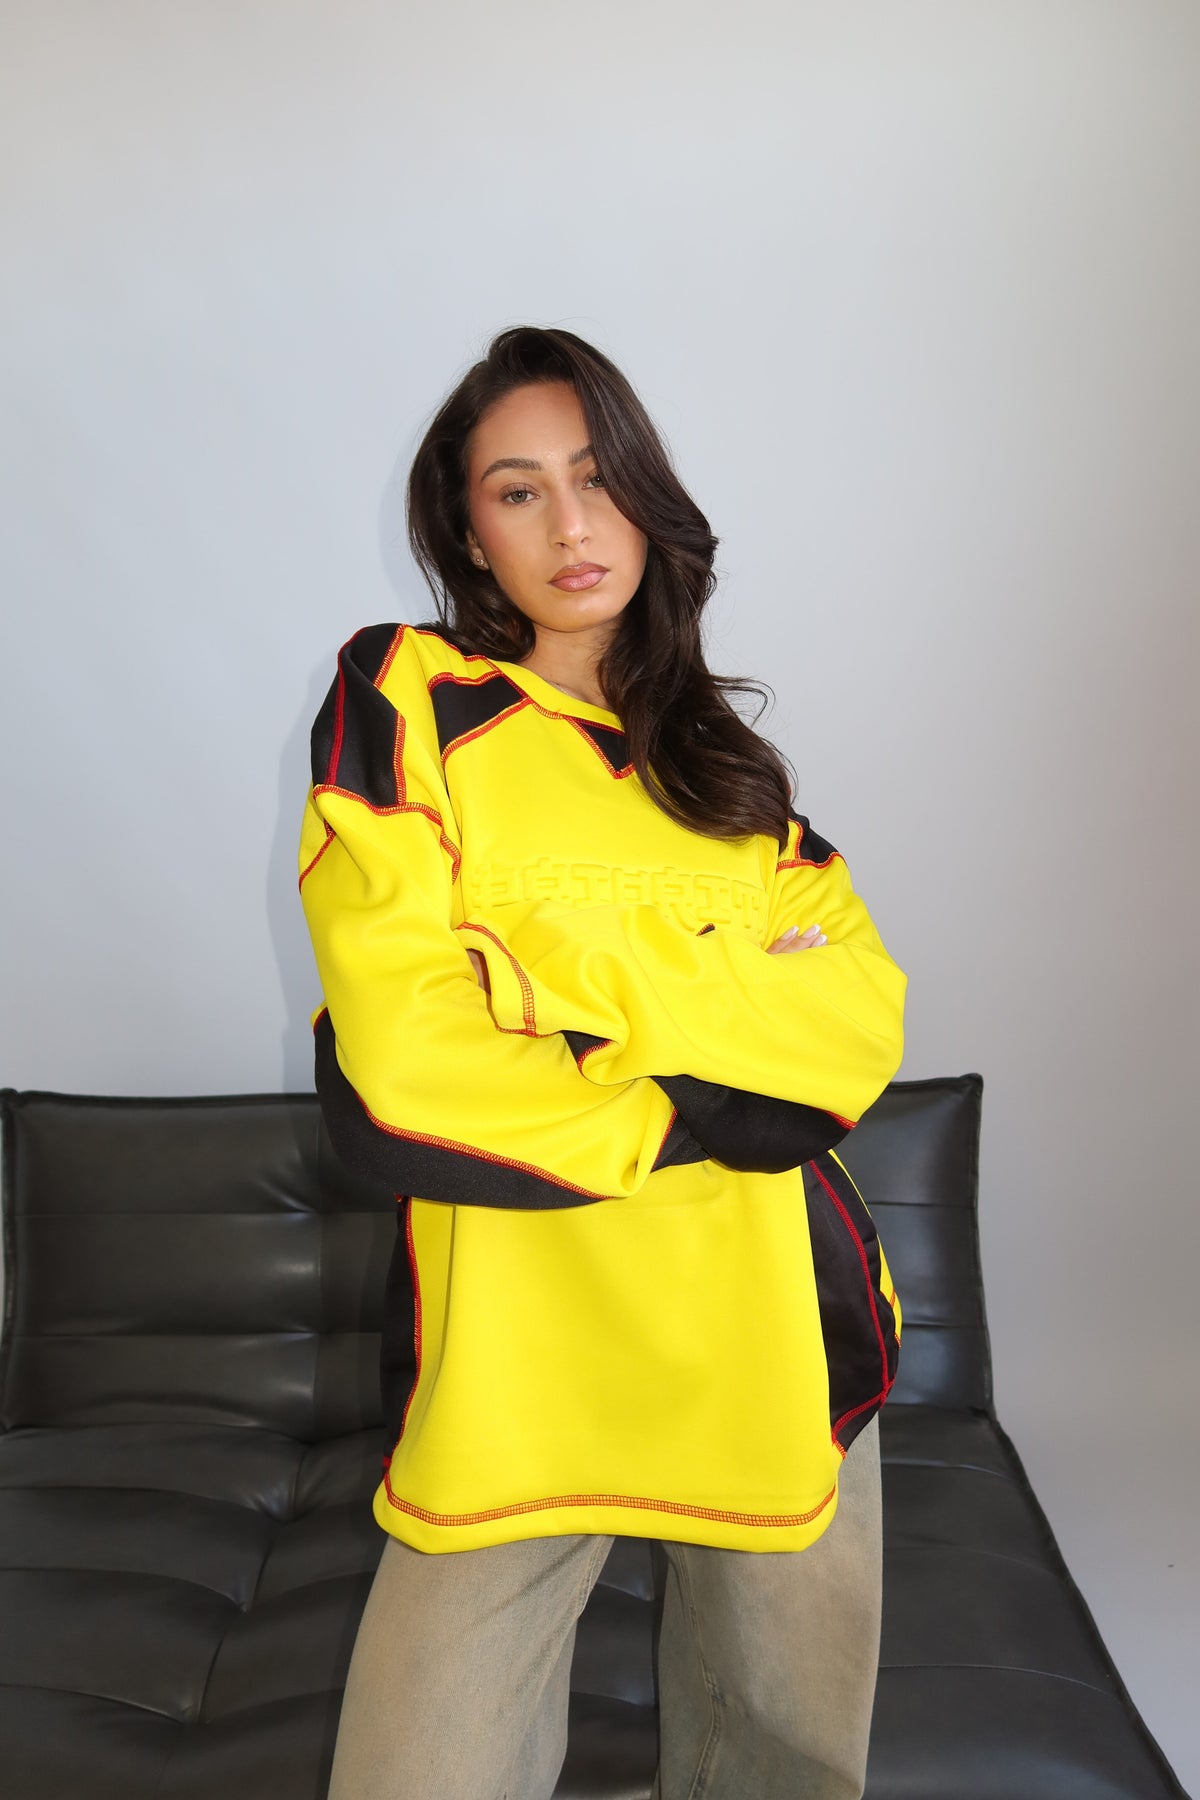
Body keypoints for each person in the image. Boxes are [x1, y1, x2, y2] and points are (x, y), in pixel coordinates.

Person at [298, 325, 907, 1800]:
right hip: (514, 1377)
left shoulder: (733, 778)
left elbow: (855, 1026)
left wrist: (542, 980)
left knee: (788, 1775)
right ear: (467, 531)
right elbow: (398, 1058)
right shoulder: (407, 696)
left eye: (598, 479)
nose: (571, 526)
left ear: (647, 499)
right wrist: (712, 1052)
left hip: (777, 1350)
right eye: (519, 491)